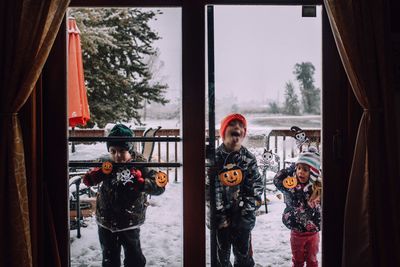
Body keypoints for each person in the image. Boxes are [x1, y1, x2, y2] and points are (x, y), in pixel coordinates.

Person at [82, 124, 166, 267]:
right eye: (113, 151)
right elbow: (88, 177)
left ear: (130, 149)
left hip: (130, 221)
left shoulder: (140, 163)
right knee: (109, 259)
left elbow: (159, 186)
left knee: (134, 258)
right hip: (106, 220)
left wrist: (141, 184)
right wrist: (93, 176)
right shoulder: (105, 162)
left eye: (122, 151)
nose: (117, 155)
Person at [206, 113, 264, 267]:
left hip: (243, 217)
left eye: (241, 126)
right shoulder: (214, 158)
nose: (237, 127)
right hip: (220, 218)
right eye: (232, 125)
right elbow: (207, 190)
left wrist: (247, 210)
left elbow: (257, 186)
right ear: (223, 132)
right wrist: (216, 213)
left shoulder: (248, 159)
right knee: (220, 258)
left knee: (243, 256)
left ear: (243, 134)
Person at [273, 148, 322, 267]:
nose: (301, 172)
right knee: (297, 260)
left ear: (313, 173)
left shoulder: (317, 189)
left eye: (305, 170)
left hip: (313, 233)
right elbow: (277, 180)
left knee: (312, 260)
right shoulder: (291, 186)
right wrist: (291, 168)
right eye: (299, 168)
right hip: (296, 231)